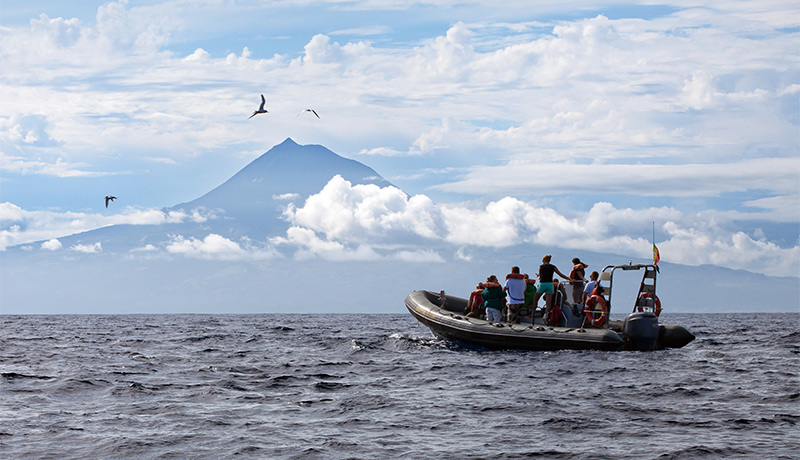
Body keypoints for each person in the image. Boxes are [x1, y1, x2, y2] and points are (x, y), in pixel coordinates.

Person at [532, 255, 570, 325]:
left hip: (542, 284)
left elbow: (540, 277)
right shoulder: (553, 267)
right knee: (548, 303)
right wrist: (569, 278)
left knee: (535, 299)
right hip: (550, 285)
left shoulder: (541, 267)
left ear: (543, 260)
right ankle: (546, 317)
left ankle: (533, 314)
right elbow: (560, 274)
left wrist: (538, 276)